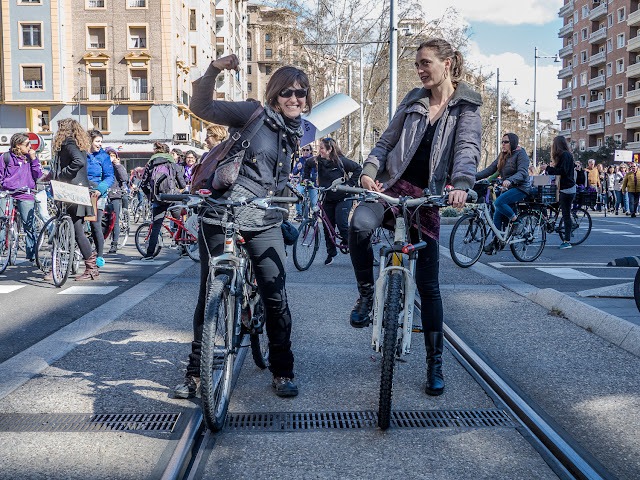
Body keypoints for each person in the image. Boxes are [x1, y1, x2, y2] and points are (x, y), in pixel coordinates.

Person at [348, 38, 481, 397]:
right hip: (392, 186)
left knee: (429, 285)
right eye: (417, 65)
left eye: (426, 63)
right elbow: (385, 143)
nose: (420, 70)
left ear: (448, 63)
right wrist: (368, 171)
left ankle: (434, 365)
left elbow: (467, 150)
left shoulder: (466, 108)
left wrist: (461, 184)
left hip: (429, 197)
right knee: (358, 225)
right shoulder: (412, 101)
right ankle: (364, 294)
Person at [179, 54, 312, 399]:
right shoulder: (253, 113)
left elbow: (279, 178)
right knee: (209, 291)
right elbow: (202, 106)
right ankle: (195, 372)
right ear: (274, 95)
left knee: (275, 295)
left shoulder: (300, 131)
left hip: (264, 218)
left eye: (301, 93)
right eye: (287, 93)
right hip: (222, 212)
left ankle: (283, 371)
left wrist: (288, 211)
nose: (294, 99)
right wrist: (213, 70)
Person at [49, 119, 100, 280]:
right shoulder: (78, 143)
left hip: (70, 191)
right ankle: (89, 268)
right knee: (75, 231)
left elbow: (77, 162)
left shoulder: (69, 143)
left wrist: (62, 175)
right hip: (78, 191)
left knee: (67, 231)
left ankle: (59, 267)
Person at [306, 137, 361, 264]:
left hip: (343, 197)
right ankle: (331, 253)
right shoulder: (317, 161)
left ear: (330, 149)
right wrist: (306, 178)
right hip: (327, 198)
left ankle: (356, 251)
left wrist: (350, 184)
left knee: (342, 224)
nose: (319, 151)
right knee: (327, 227)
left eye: (322, 148)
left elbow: (358, 168)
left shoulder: (341, 161)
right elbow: (307, 165)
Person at [476, 132, 531, 252]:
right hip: (509, 188)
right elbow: (490, 169)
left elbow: (522, 172)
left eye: (506, 142)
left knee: (499, 202)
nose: (503, 144)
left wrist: (510, 180)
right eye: (502, 141)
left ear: (513, 143)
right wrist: (472, 177)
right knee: (497, 214)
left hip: (521, 187)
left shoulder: (521, 155)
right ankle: (495, 242)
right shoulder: (503, 155)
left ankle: (517, 222)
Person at [0, 133, 44, 264]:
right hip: (7, 192)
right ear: (18, 146)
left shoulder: (30, 158)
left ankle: (31, 254)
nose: (30, 146)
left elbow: (39, 175)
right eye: (27, 144)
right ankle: (2, 249)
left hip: (26, 193)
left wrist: (34, 159)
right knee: (2, 222)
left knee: (28, 224)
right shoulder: (5, 157)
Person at [139, 142, 186, 259]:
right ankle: (185, 247)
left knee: (156, 226)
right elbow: (182, 184)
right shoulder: (172, 164)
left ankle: (150, 254)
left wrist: (151, 196)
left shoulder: (151, 164)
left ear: (155, 152)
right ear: (168, 153)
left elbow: (143, 184)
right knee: (181, 222)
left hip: (158, 198)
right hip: (173, 198)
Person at [86, 130, 115, 269]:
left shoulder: (104, 156)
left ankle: (99, 256)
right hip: (81, 191)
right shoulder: (81, 154)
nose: (99, 144)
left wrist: (100, 189)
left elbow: (110, 176)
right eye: (97, 141)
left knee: (95, 225)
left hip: (97, 194)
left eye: (101, 142)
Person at [545, 136, 576, 249]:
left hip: (567, 188)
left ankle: (567, 240)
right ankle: (552, 224)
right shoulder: (564, 155)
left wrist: (548, 168)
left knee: (566, 214)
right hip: (564, 187)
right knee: (550, 204)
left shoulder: (565, 155)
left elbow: (563, 171)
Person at [105, 147, 129, 253]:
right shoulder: (103, 165)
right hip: (103, 194)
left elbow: (124, 178)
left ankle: (114, 243)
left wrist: (118, 165)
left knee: (115, 220)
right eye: (109, 155)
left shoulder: (118, 167)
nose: (111, 158)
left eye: (113, 155)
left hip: (115, 195)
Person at [293, 145, 318, 220]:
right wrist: (298, 168)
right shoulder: (300, 160)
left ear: (311, 151)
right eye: (303, 150)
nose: (305, 152)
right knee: (297, 193)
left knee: (314, 201)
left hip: (312, 183)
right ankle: (299, 213)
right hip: (302, 183)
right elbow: (294, 172)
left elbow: (318, 171)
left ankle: (315, 214)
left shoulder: (315, 160)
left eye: (307, 150)